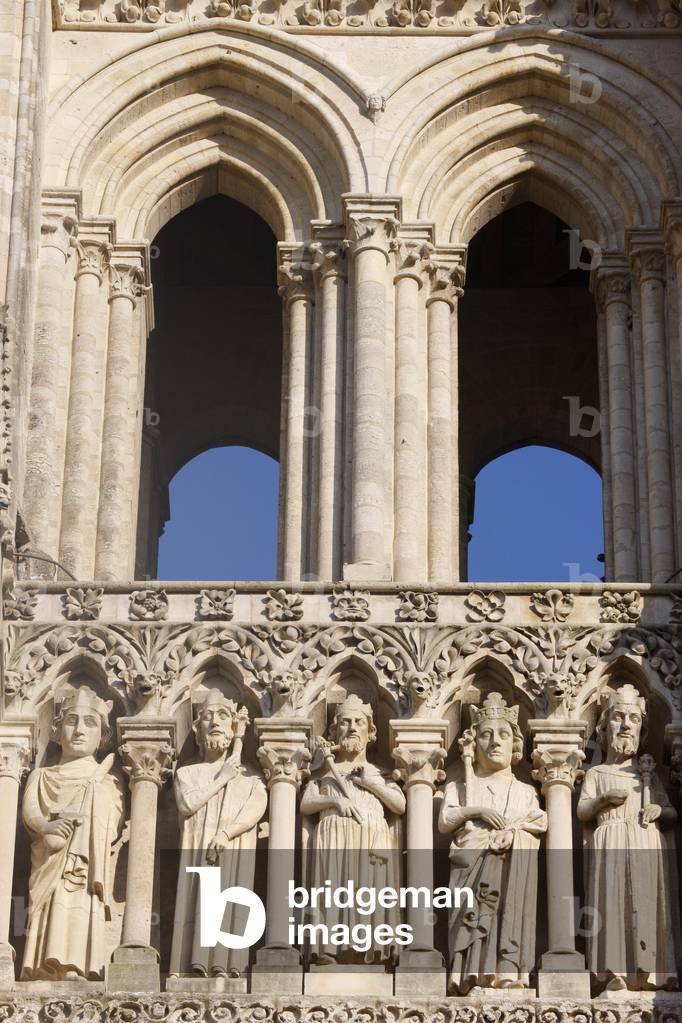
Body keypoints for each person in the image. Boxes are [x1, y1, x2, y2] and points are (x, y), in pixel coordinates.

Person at [439, 692, 546, 993]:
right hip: (470, 867)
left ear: (515, 744)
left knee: (508, 913)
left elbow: (539, 821)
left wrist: (514, 834)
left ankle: (507, 970)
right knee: (471, 915)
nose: (495, 742)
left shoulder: (525, 790)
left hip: (511, 870)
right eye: (486, 734)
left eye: (503, 734)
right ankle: (469, 972)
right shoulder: (458, 786)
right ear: (474, 743)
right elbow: (445, 822)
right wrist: (476, 810)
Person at [577, 683, 679, 992]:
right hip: (610, 842)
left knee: (646, 905)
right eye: (618, 717)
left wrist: (658, 810)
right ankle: (614, 971)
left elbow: (672, 813)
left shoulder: (646, 775)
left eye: (633, 719)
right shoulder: (596, 774)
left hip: (645, 842)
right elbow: (583, 811)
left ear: (641, 730)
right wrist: (603, 800)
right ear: (604, 728)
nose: (625, 725)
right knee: (612, 903)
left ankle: (650, 972)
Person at [22, 686, 124, 980]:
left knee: (79, 904)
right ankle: (43, 965)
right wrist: (47, 825)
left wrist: (93, 799)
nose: (79, 730)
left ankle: (75, 966)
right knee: (48, 907)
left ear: (102, 736)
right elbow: (30, 812)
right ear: (56, 730)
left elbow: (113, 824)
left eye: (89, 723)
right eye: (71, 721)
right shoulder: (41, 775)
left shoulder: (107, 781)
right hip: (48, 857)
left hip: (82, 864)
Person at [300, 694, 405, 964]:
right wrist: (335, 800)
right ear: (335, 731)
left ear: (371, 732)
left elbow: (399, 804)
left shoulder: (380, 772)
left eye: (359, 722)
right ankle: (329, 950)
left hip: (371, 835)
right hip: (335, 835)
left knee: (367, 891)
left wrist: (370, 784)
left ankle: (368, 950)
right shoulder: (323, 773)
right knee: (334, 888)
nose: (352, 727)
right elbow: (306, 804)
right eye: (345, 722)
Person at [169, 690, 266, 978]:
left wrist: (226, 832)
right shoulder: (188, 774)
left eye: (223, 716)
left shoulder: (250, 777)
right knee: (194, 902)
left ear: (235, 728)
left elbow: (256, 808)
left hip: (233, 848)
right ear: (197, 730)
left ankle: (226, 965)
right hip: (197, 845)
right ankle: (186, 966)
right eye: (207, 717)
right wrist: (222, 777)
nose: (215, 722)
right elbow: (187, 803)